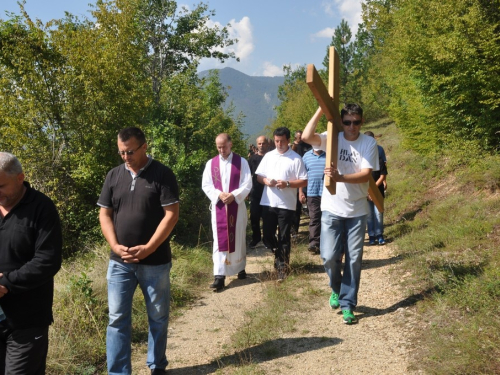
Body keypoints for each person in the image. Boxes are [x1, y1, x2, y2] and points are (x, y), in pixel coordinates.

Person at [98, 127, 179, 375]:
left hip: (154, 262)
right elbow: (105, 213)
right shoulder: (113, 176)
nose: (125, 157)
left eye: (130, 151)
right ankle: (119, 372)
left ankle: (157, 366)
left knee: (157, 317)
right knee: (117, 319)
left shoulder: (162, 174)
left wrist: (148, 248)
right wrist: (114, 245)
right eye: (121, 152)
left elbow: (171, 214)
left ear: (144, 146)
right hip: (120, 261)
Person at [302, 104, 379, 324]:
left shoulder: (368, 143)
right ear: (341, 122)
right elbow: (307, 136)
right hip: (332, 209)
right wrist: (321, 108)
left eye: (356, 122)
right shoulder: (333, 138)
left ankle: (348, 304)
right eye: (347, 122)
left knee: (354, 259)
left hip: (356, 210)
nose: (351, 126)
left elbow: (365, 175)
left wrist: (339, 177)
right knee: (328, 257)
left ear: (362, 122)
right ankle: (336, 288)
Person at [0, 152, 62, 374]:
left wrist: (6, 282)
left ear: (19, 178)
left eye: (1, 186)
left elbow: (48, 260)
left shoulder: (41, 208)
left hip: (27, 319)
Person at [255, 127, 308, 280]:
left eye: (282, 141)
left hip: (287, 204)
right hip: (269, 202)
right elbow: (259, 176)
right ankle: (277, 253)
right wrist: (266, 181)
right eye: (276, 141)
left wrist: (288, 184)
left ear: (288, 140)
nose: (279, 144)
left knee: (284, 237)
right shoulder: (269, 156)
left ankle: (282, 267)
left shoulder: (296, 158)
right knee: (267, 235)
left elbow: (304, 180)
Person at [202, 133, 252, 291]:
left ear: (230, 144)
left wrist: (234, 195)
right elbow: (206, 185)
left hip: (236, 207)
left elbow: (247, 183)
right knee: (219, 240)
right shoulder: (211, 163)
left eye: (224, 146)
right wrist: (218, 194)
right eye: (218, 147)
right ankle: (219, 275)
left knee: (238, 237)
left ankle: (239, 267)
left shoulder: (241, 162)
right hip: (219, 207)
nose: (221, 150)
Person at [299, 147, 326, 254]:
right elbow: (301, 176)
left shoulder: (329, 155)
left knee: (327, 219)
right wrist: (301, 192)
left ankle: (326, 243)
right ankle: (314, 243)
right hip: (312, 193)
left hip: (327, 193)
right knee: (314, 218)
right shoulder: (306, 156)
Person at [364, 131, 388, 245]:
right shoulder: (362, 161)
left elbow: (383, 175)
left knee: (378, 213)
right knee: (369, 215)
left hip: (378, 191)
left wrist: (374, 188)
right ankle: (371, 235)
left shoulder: (379, 159)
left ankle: (380, 234)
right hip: (365, 192)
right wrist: (368, 191)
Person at [248, 136, 269, 248]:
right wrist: (247, 191)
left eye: (263, 143)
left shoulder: (272, 157)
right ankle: (256, 238)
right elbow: (247, 176)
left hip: (269, 192)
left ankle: (267, 239)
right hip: (255, 192)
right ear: (257, 145)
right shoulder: (252, 159)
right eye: (259, 143)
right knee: (254, 217)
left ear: (267, 144)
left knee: (267, 217)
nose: (261, 145)